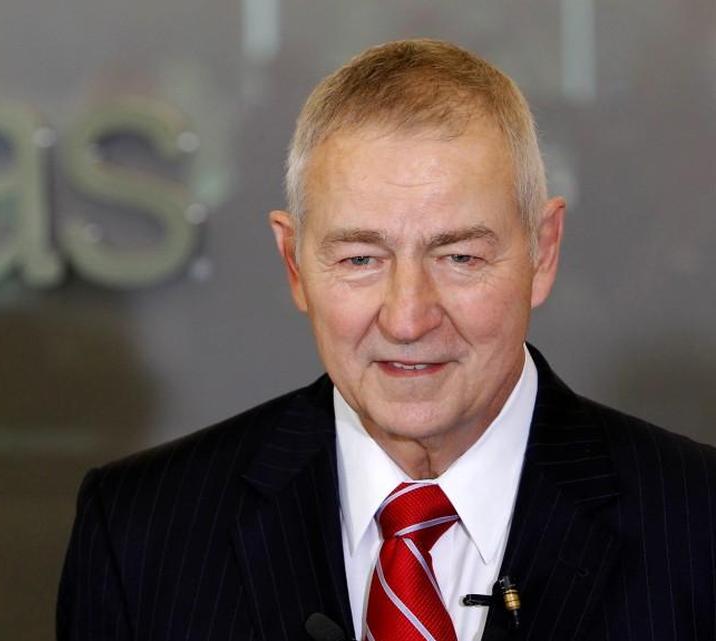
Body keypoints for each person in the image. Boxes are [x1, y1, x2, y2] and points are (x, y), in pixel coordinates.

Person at [56, 39, 716, 641]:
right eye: (360, 259)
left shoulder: (699, 523)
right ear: (294, 263)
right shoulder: (140, 534)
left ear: (543, 252)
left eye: (459, 257)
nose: (407, 318)